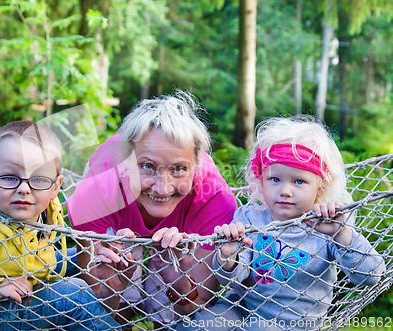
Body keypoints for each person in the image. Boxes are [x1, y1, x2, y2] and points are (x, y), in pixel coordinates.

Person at [179, 116, 386, 330]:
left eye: (299, 181)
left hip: (294, 323)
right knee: (200, 325)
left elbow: (371, 276)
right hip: (240, 308)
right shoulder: (250, 217)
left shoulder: (329, 224)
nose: (285, 191)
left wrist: (341, 233)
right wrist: (229, 257)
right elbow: (231, 280)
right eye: (275, 179)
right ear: (261, 179)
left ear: (321, 186)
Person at [0, 121, 120, 331]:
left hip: (24, 271)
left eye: (39, 178)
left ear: (56, 187)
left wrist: (91, 248)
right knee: (74, 295)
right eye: (10, 178)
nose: (24, 189)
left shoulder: (45, 204)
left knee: (94, 257)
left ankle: (111, 313)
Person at [67, 90, 238, 328]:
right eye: (147, 166)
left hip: (183, 238)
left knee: (169, 311)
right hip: (117, 227)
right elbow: (92, 303)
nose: (162, 187)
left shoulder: (214, 200)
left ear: (197, 165)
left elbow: (197, 308)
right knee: (122, 287)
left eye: (179, 169)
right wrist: (114, 291)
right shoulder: (98, 186)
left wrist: (179, 284)